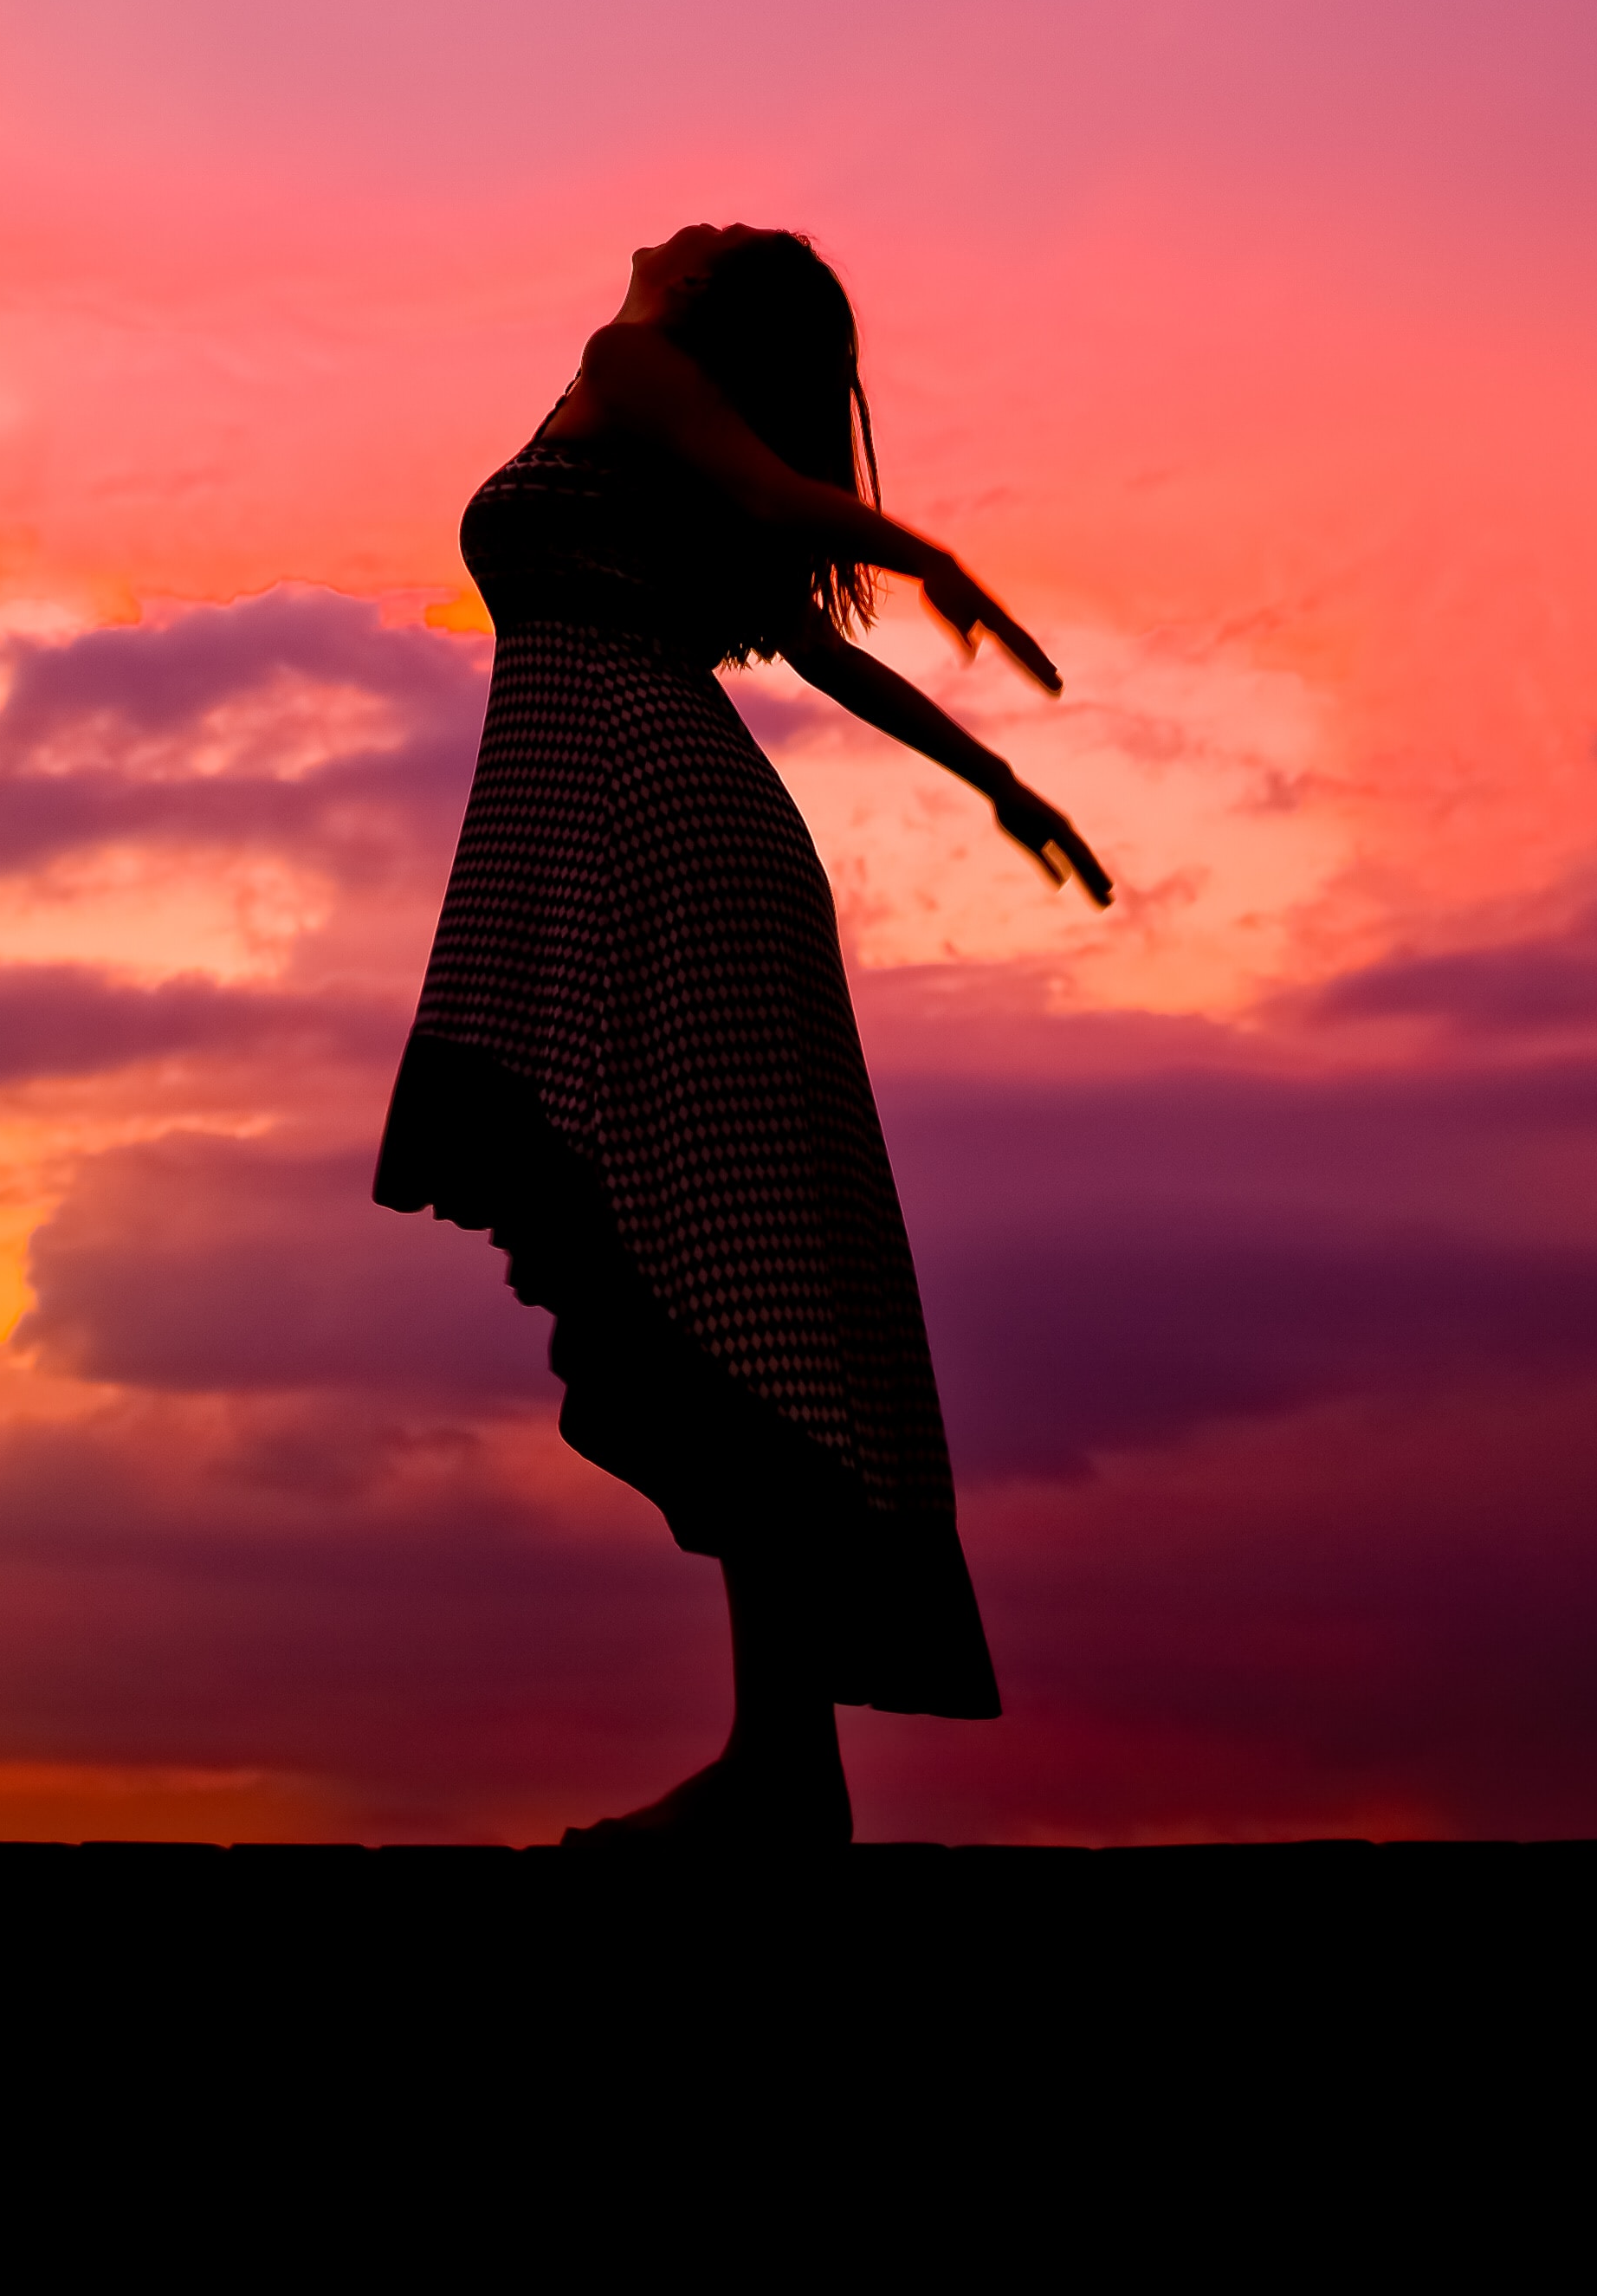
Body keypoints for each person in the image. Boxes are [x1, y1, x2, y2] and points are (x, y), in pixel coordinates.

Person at [373, 220, 1112, 1846]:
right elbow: (825, 648)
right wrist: (999, 782)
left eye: (717, 237)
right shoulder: (647, 427)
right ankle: (785, 1764)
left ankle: (782, 1770)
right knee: (730, 1297)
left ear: (700, 301)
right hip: (669, 832)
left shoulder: (632, 366)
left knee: (733, 1292)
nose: (689, 222)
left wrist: (920, 557)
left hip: (667, 830)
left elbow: (798, 549)